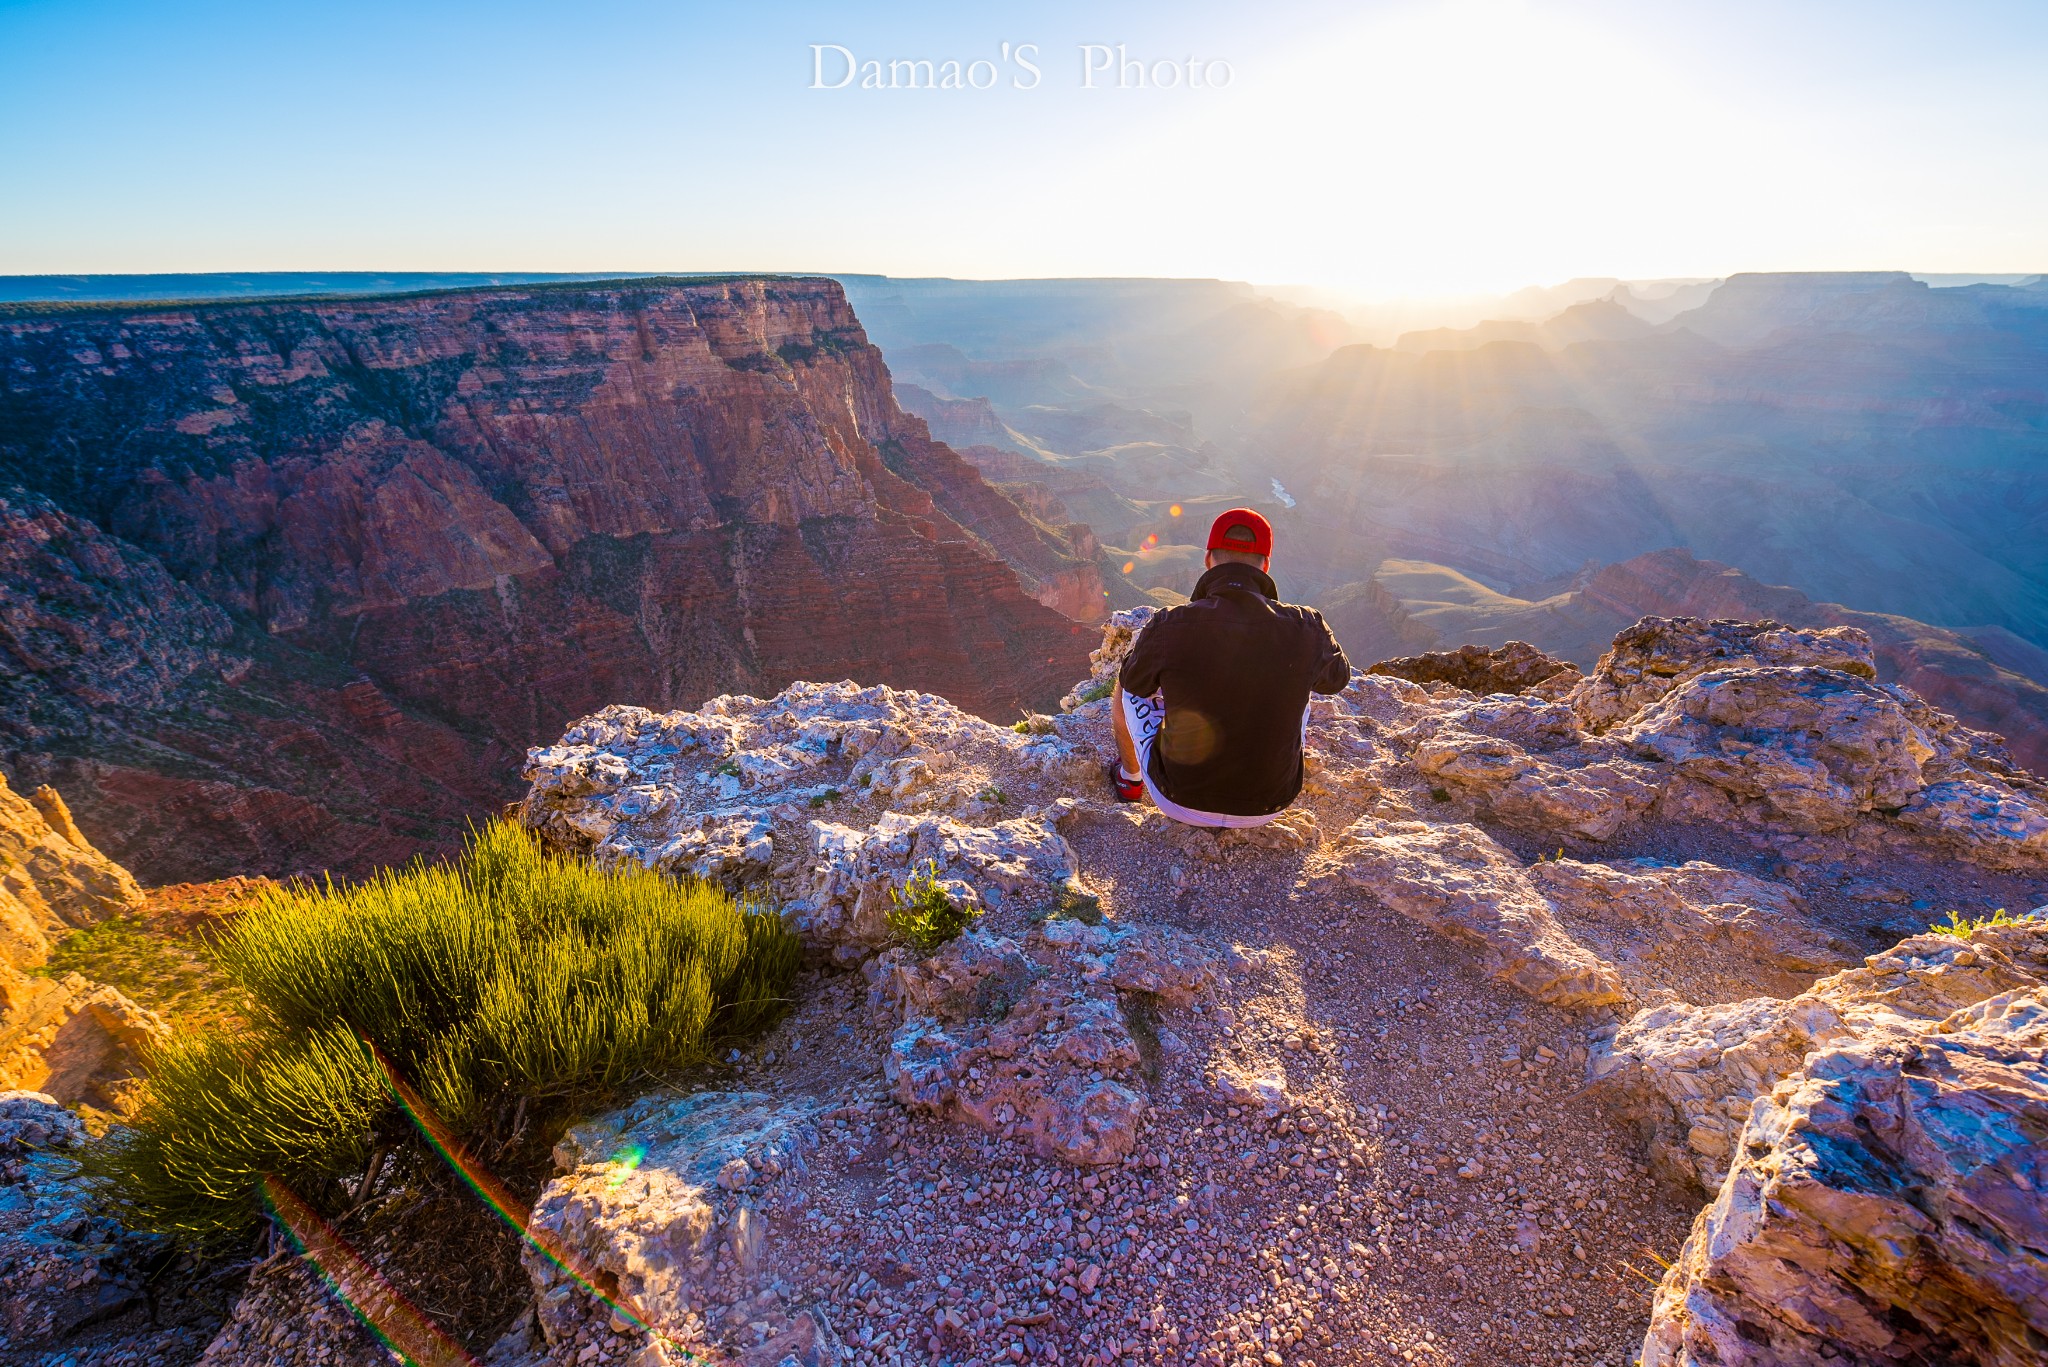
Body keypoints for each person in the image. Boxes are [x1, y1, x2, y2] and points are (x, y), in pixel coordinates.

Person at [1109, 508, 1351, 827]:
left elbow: (1136, 683)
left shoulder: (1169, 625)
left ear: (1208, 560)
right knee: (1303, 682)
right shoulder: (1307, 627)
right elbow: (1336, 679)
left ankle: (1130, 779)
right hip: (1269, 804)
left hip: (1178, 799)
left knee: (1128, 686)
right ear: (1265, 565)